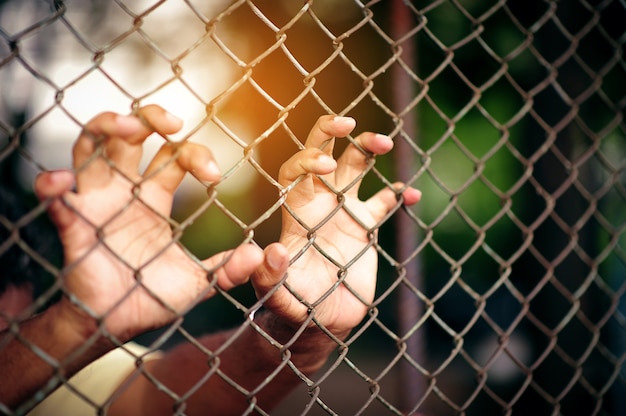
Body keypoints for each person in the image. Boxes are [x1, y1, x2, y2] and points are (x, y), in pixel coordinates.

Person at [0, 105, 421, 415]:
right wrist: (70, 327)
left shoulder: (61, 373)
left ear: (16, 299)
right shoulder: (50, 353)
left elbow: (171, 397)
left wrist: (303, 332)